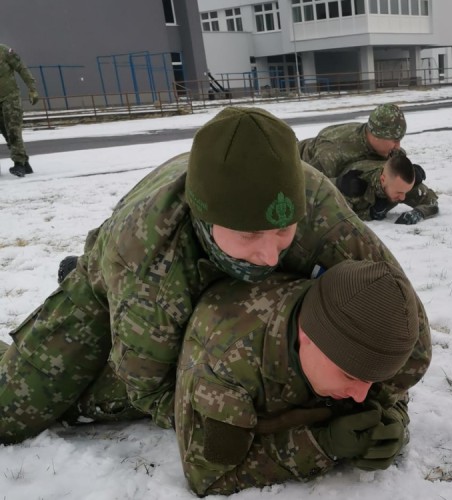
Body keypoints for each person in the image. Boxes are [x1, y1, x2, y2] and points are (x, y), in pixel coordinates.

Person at [0, 106, 408, 444]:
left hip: (178, 280)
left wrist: (385, 410)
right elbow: (154, 393)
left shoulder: (314, 206)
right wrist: (285, 426)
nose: (270, 255)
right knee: (16, 413)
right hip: (117, 279)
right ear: (206, 219)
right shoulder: (146, 260)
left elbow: (398, 309)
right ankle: (91, 292)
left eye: (284, 231)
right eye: (249, 234)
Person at [175, 260, 431, 496]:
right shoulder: (227, 370)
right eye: (349, 375)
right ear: (306, 335)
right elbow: (209, 478)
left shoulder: (349, 337)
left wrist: (394, 418)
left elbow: (391, 389)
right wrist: (322, 445)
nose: (361, 395)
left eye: (372, 380)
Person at [297, 103, 406, 178]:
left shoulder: (382, 146)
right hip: (296, 162)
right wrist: (340, 183)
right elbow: (310, 184)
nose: (397, 147)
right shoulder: (332, 152)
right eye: (395, 141)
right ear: (377, 135)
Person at [335, 150, 439, 224]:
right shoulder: (355, 186)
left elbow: (431, 201)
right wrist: (370, 214)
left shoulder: (401, 184)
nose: (403, 197)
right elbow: (339, 217)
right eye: (399, 192)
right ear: (383, 180)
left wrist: (418, 213)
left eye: (405, 192)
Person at [0, 43, 39, 177]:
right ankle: (25, 163)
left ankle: (19, 164)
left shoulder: (4, 51)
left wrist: (32, 88)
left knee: (13, 131)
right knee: (6, 133)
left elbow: (21, 68)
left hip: (10, 98)